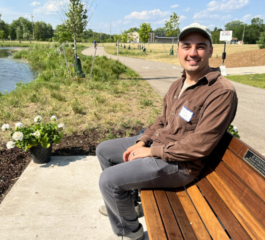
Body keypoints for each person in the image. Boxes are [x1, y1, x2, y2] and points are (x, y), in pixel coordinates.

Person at [97, 23, 238, 240]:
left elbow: (198, 146)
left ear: (211, 51)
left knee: (109, 180)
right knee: (104, 150)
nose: (193, 53)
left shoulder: (220, 92)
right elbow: (162, 119)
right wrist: (143, 142)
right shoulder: (178, 84)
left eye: (200, 47)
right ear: (179, 50)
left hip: (179, 165)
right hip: (159, 145)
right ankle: (130, 207)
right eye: (186, 46)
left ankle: (132, 233)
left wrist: (152, 152)